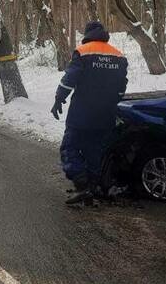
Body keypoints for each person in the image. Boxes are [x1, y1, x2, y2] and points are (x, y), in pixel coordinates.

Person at [51, 20, 128, 206]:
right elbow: (121, 86)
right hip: (106, 113)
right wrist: (112, 102)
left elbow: (69, 79)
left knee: (69, 147)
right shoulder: (118, 55)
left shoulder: (83, 52)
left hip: (82, 112)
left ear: (87, 34)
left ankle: (82, 184)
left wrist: (59, 99)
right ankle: (95, 186)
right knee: (94, 150)